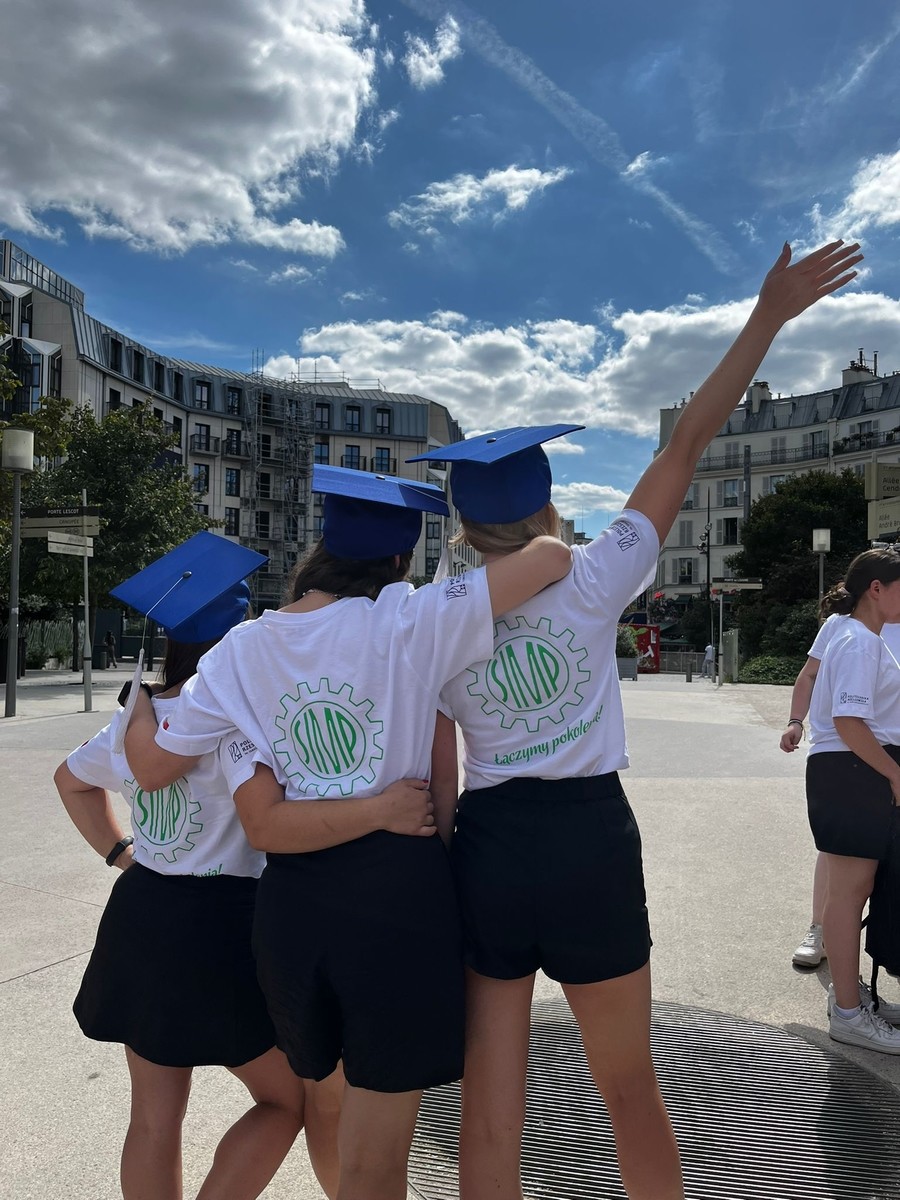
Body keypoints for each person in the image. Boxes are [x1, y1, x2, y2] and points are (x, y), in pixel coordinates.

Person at [408, 238, 862, 1200]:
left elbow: (430, 764)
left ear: (462, 520)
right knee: (628, 1090)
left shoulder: (433, 619)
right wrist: (767, 315)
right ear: (545, 506)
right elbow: (684, 445)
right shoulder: (592, 574)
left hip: (490, 843)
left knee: (490, 1108)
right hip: (588, 838)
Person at [122, 467, 573, 1200]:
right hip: (397, 900)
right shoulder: (411, 617)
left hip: (292, 909)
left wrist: (139, 705)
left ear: (319, 550)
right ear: (398, 559)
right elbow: (550, 558)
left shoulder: (240, 649)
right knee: (379, 1153)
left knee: (327, 1109)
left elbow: (151, 769)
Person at [54, 535, 343, 1200]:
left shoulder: (137, 717)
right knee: (284, 1100)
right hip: (224, 922)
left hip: (143, 911)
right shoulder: (244, 717)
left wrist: (121, 853)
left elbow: (70, 781)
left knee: (154, 1118)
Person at [806, 549, 900, 1051]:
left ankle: (849, 997)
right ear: (876, 589)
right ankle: (848, 1012)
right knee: (849, 893)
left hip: (849, 769)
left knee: (852, 890)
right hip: (853, 769)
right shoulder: (861, 641)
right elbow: (848, 721)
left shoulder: (856, 636)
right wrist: (894, 773)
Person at [783, 617, 900, 972]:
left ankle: (878, 954)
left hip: (892, 749)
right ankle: (820, 930)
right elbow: (810, 674)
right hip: (853, 753)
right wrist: (796, 720)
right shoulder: (846, 623)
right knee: (843, 860)